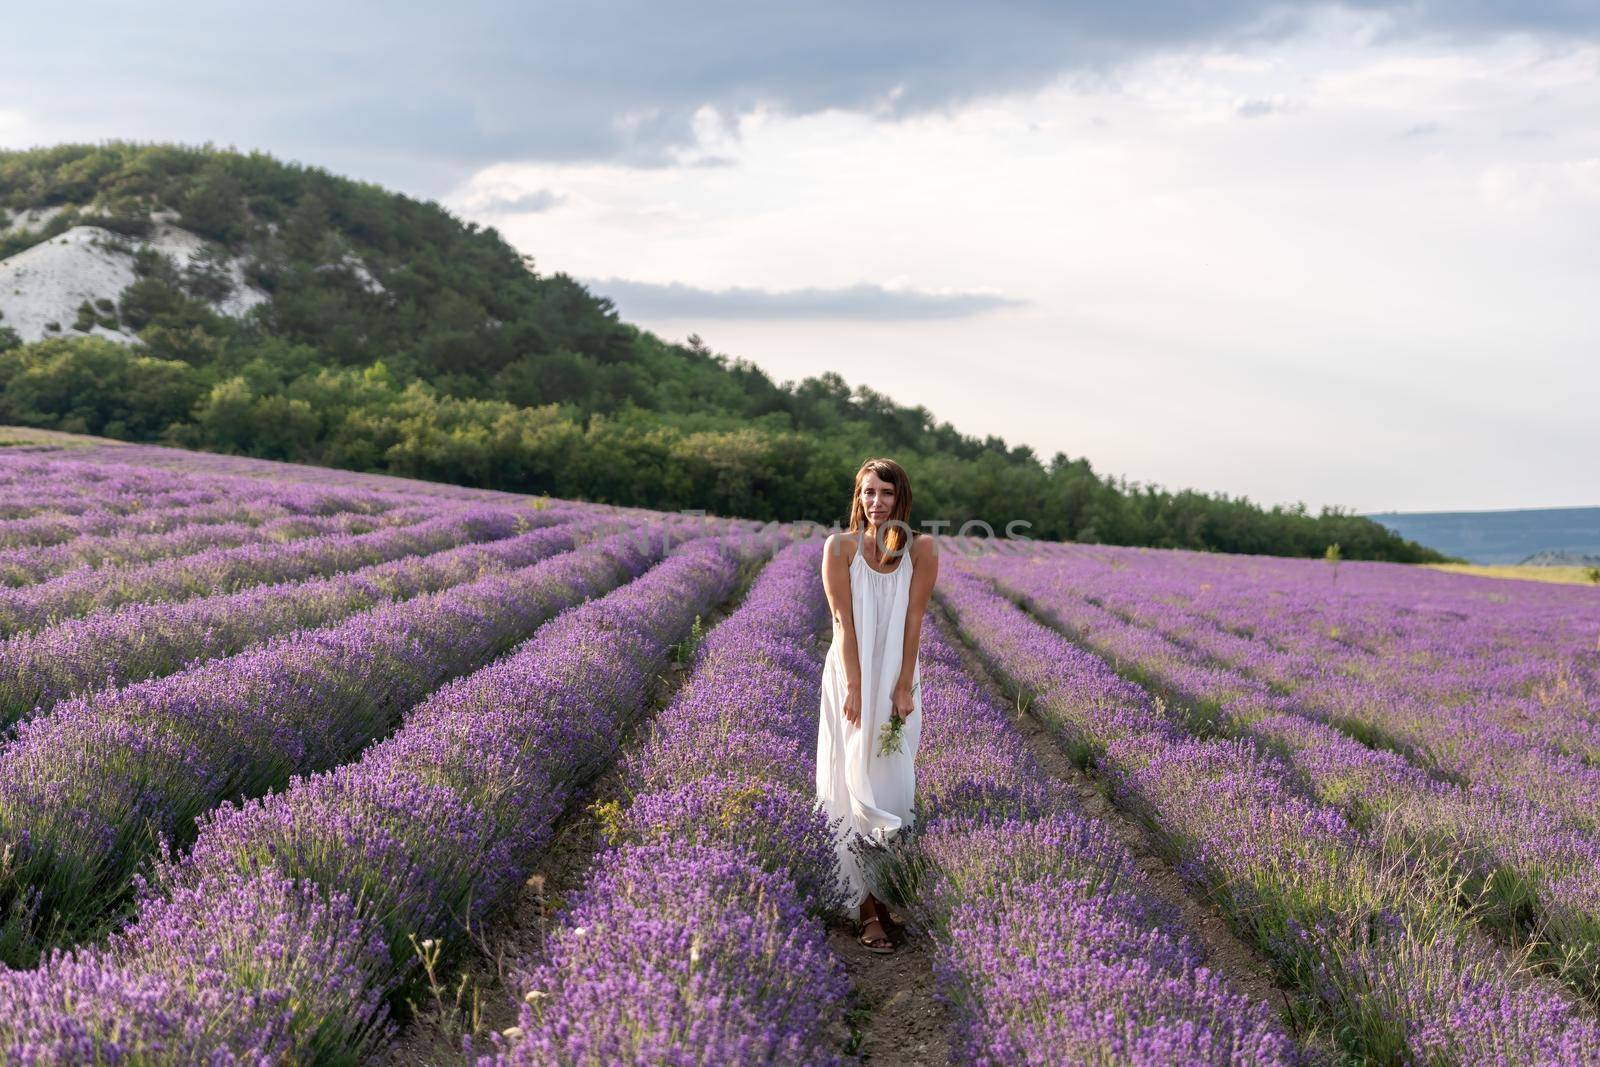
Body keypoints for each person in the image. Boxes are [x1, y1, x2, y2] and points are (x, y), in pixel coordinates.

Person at [815, 457, 939, 954]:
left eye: (885, 494)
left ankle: (886, 895)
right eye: (868, 493)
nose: (875, 503)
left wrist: (903, 686)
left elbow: (914, 621)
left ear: (900, 498)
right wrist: (854, 687)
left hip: (895, 678)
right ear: (857, 497)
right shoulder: (839, 547)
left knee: (893, 782)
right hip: (850, 675)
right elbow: (843, 622)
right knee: (849, 783)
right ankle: (866, 910)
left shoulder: (922, 550)